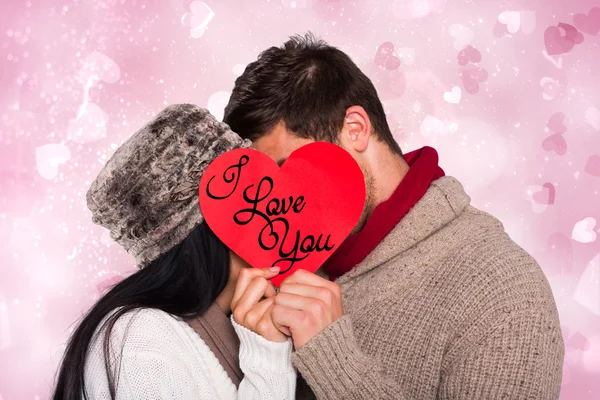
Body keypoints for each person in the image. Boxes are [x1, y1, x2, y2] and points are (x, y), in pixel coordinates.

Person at [223, 33, 565, 399]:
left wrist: (332, 358)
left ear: (355, 129)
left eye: (290, 168)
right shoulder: (272, 261)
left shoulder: (504, 293)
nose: (280, 203)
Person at [53, 104, 297, 400]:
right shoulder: (139, 343)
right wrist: (270, 366)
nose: (282, 210)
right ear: (220, 221)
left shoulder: (249, 319)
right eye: (258, 195)